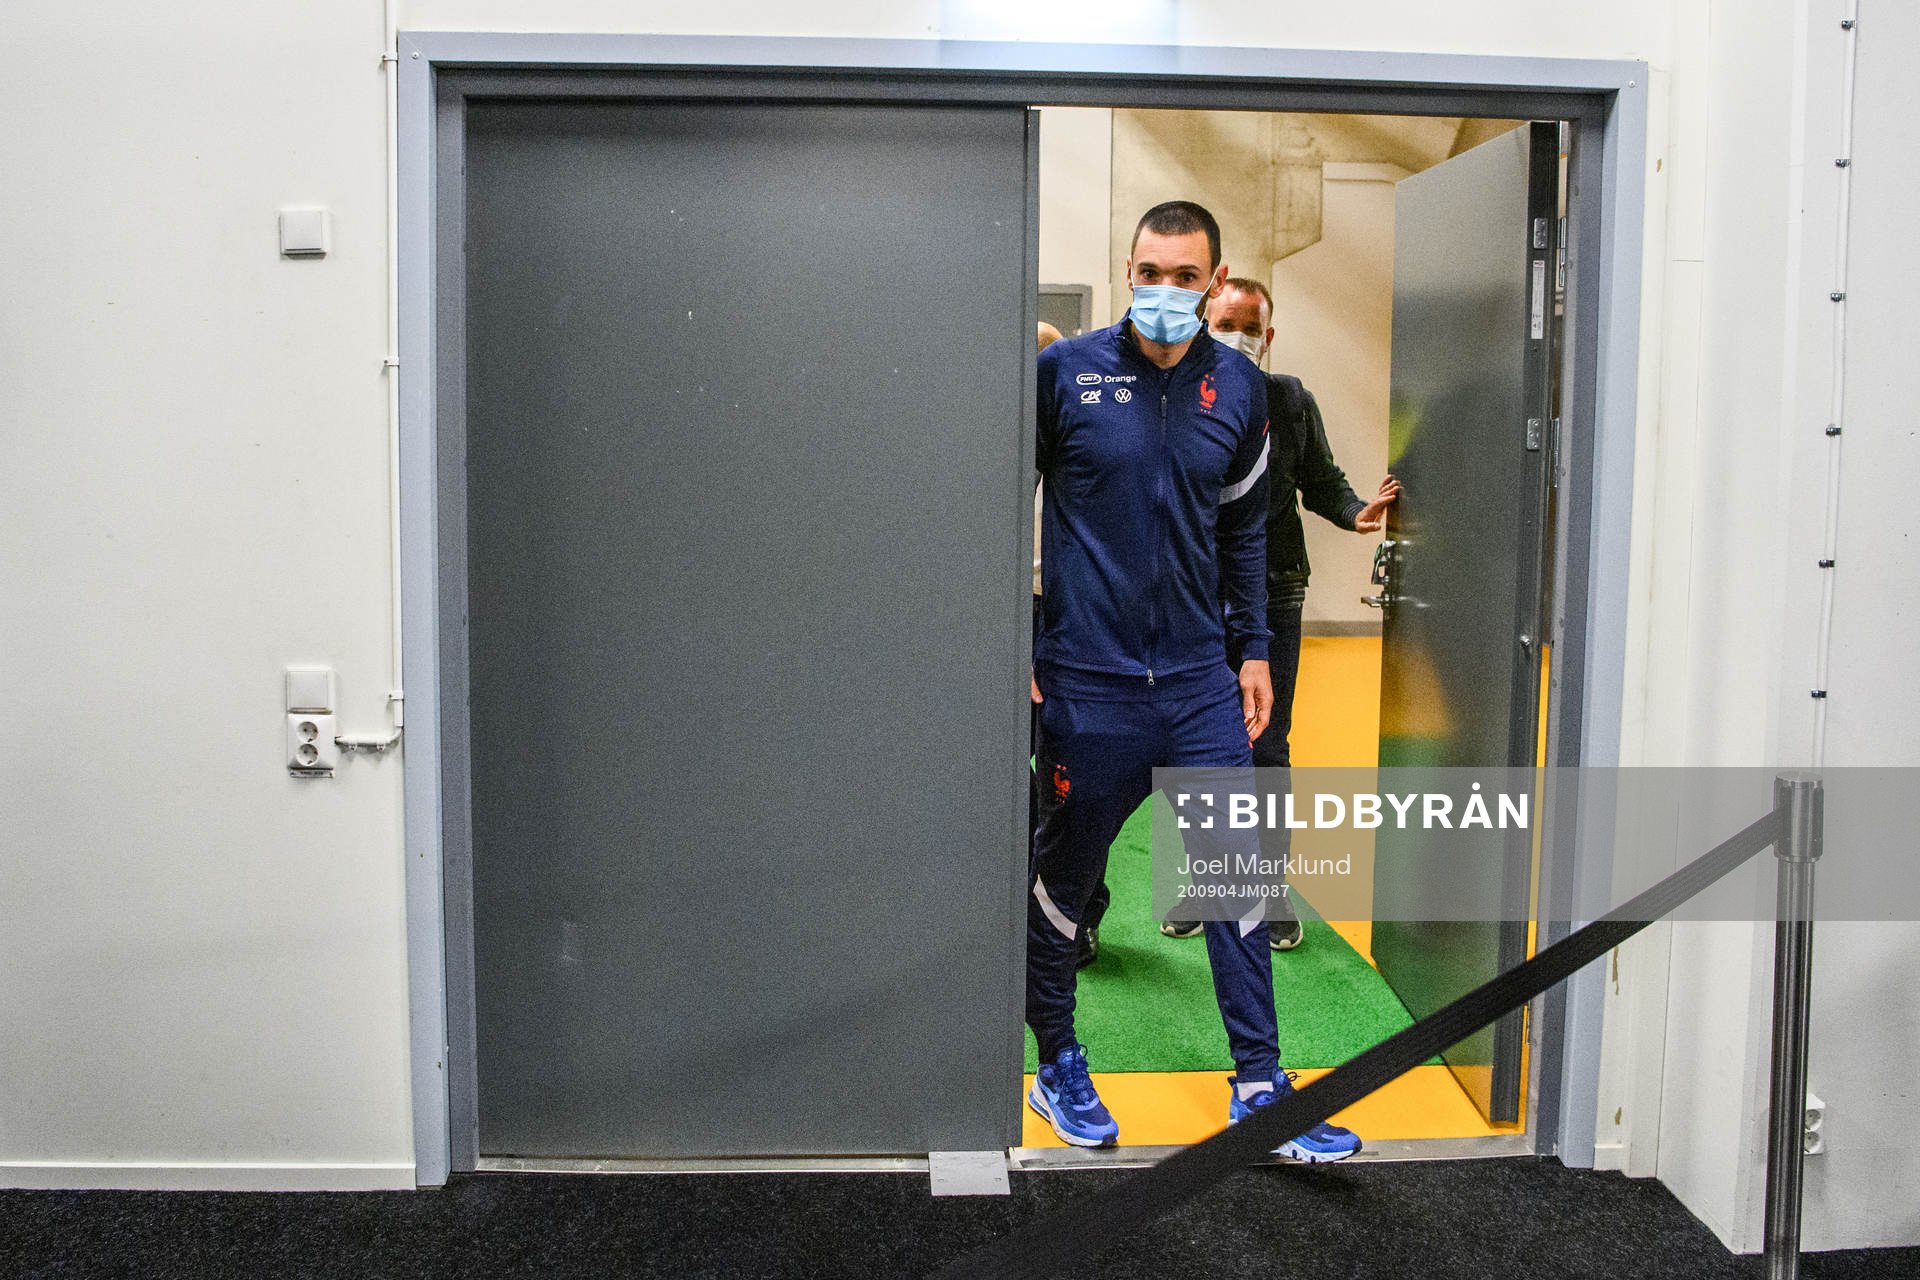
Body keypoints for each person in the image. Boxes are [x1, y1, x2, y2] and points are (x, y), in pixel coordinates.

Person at [1025, 200, 1361, 1163]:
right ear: (1127, 269)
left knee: (1237, 883)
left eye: (1184, 277)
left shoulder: (1241, 389)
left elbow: (1245, 530)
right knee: (1063, 885)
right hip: (1087, 683)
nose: (1164, 292)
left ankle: (1260, 1087)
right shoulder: (1066, 374)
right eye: (1149, 273)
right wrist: (1023, 643)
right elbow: (1003, 505)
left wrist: (1252, 648)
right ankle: (1057, 1060)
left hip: (1197, 683)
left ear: (1213, 283)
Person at [1158, 278, 1399, 951]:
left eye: (1248, 326)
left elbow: (1320, 482)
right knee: (1199, 747)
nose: (1236, 336)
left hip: (1275, 593)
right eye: (1224, 323)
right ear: (1204, 325)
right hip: (1193, 598)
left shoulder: (1289, 400)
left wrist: (1356, 512)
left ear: (1267, 337)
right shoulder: (1177, 396)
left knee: (1266, 746)